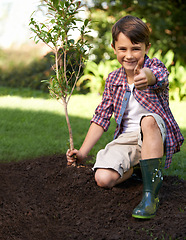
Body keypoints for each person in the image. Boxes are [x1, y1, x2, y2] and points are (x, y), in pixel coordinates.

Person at [66, 15, 184, 219]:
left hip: (155, 133)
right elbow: (101, 117)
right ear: (113, 48)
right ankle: (137, 168)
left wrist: (147, 77)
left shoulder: (155, 67)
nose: (129, 55)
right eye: (123, 49)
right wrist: (83, 153)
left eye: (136, 49)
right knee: (103, 178)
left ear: (146, 47)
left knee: (148, 120)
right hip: (127, 139)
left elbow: (160, 76)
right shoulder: (113, 80)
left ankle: (150, 195)